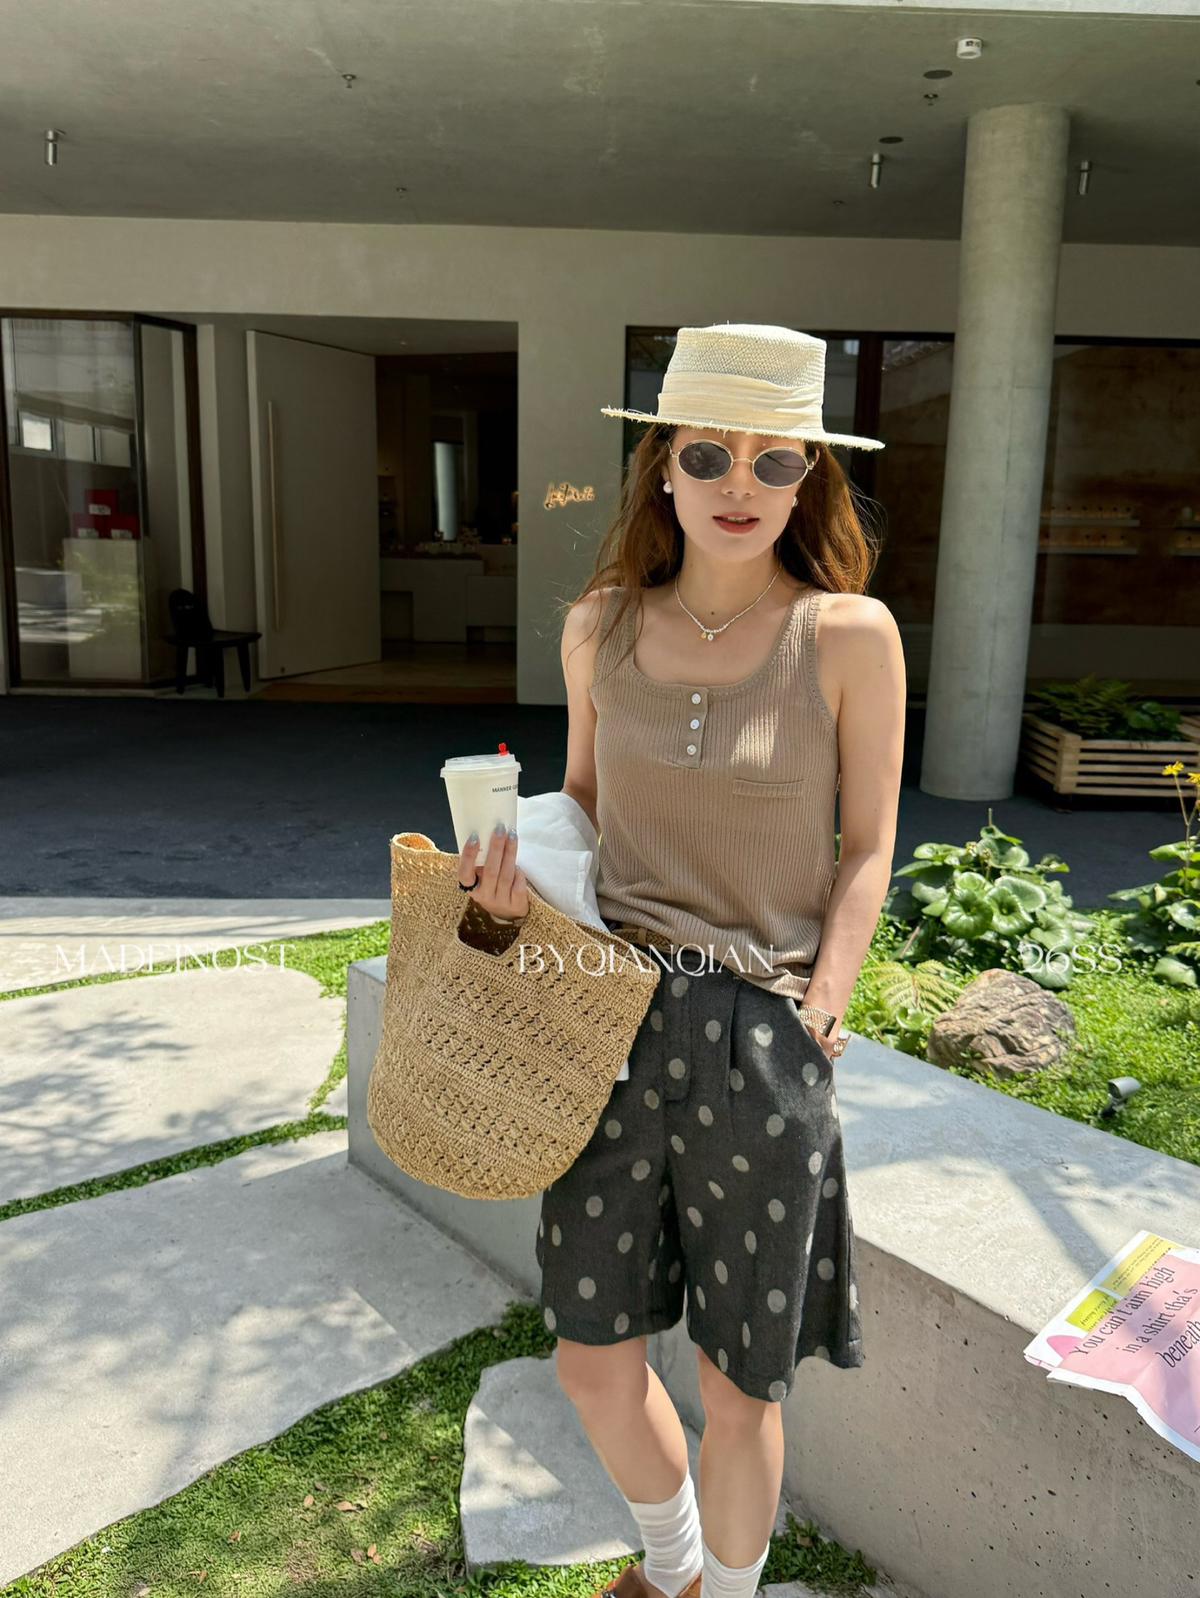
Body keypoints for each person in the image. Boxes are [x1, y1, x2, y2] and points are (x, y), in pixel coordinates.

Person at [456, 324, 906, 1598]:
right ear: (663, 467)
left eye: (775, 460)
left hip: (761, 1034)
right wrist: (506, 889)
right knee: (592, 1356)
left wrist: (824, 1002)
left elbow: (870, 846)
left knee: (740, 1381)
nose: (738, 483)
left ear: (811, 478)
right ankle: (673, 1566)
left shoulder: (848, 634)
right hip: (606, 1023)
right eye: (708, 453)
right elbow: (584, 812)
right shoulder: (599, 625)